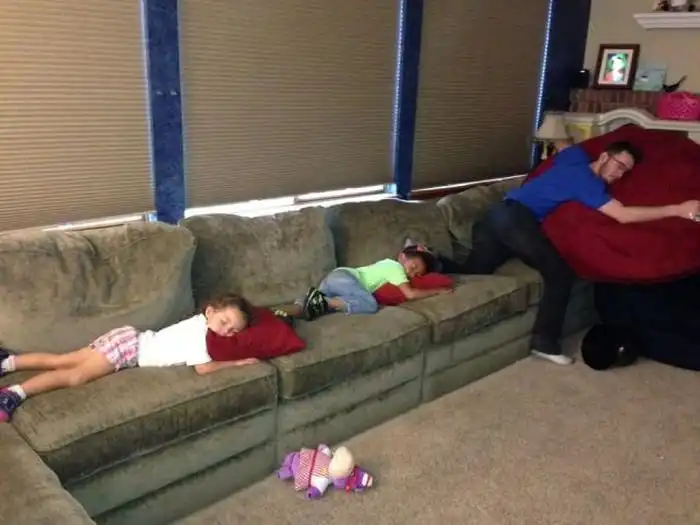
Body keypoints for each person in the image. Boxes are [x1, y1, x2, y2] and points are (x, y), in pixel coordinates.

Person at [437, 141, 700, 366]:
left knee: (474, 270)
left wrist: (561, 139)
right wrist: (677, 209)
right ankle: (544, 343)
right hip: (515, 219)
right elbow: (622, 215)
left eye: (625, 170)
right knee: (560, 274)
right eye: (619, 165)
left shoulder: (575, 158)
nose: (619, 174)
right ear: (604, 156)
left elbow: (563, 143)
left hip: (495, 216)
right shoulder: (587, 184)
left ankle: (427, 259)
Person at [0, 294, 258, 422]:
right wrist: (237, 363)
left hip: (127, 338)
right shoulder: (199, 335)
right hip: (129, 349)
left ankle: (7, 363)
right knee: (75, 376)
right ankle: (15, 393)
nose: (226, 331)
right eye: (225, 322)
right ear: (210, 311)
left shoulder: (200, 323)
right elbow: (204, 369)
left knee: (63, 360)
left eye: (233, 331)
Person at [292, 246, 453, 321]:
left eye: (416, 274)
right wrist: (438, 291)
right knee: (370, 304)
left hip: (335, 279)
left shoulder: (387, 264)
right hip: (347, 278)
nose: (411, 274)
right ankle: (324, 301)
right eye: (413, 267)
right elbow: (410, 294)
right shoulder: (395, 268)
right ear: (402, 257)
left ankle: (296, 307)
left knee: (313, 306)